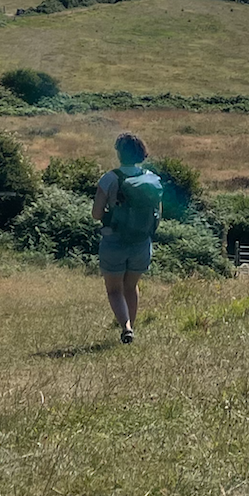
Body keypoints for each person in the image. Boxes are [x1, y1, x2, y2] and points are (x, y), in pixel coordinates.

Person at [91, 131, 163, 344]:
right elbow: (159, 214)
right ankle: (131, 327)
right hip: (141, 242)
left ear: (119, 153)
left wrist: (111, 216)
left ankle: (126, 328)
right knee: (131, 287)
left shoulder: (110, 178)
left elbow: (96, 214)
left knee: (114, 290)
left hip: (114, 240)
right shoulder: (152, 179)